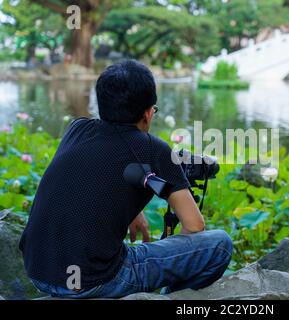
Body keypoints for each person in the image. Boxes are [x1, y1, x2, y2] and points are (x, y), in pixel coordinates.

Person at [19, 59, 232, 299]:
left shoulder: (77, 128)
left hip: (38, 272)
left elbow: (88, 175)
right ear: (148, 113)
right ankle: (169, 297)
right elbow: (195, 225)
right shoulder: (155, 150)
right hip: (93, 280)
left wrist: (134, 211)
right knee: (220, 245)